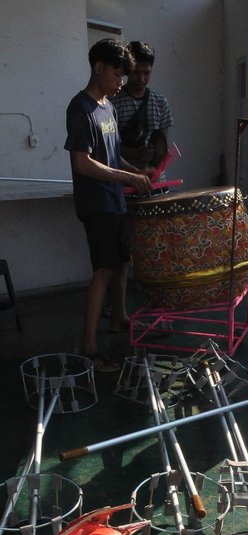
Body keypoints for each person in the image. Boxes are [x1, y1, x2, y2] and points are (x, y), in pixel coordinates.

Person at [65, 39, 152, 371]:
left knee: (121, 263)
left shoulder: (108, 106)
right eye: (117, 75)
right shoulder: (81, 107)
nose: (121, 83)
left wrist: (136, 173)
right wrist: (125, 178)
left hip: (114, 200)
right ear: (98, 67)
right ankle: (88, 348)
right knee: (102, 270)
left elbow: (113, 157)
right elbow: (82, 164)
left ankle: (119, 317)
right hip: (96, 202)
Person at [111, 40, 173, 174]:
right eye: (136, 72)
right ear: (127, 70)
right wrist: (135, 153)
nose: (141, 78)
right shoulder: (113, 102)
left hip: (154, 179)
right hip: (124, 180)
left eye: (146, 73)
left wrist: (155, 154)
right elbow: (108, 148)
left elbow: (163, 144)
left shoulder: (160, 102)